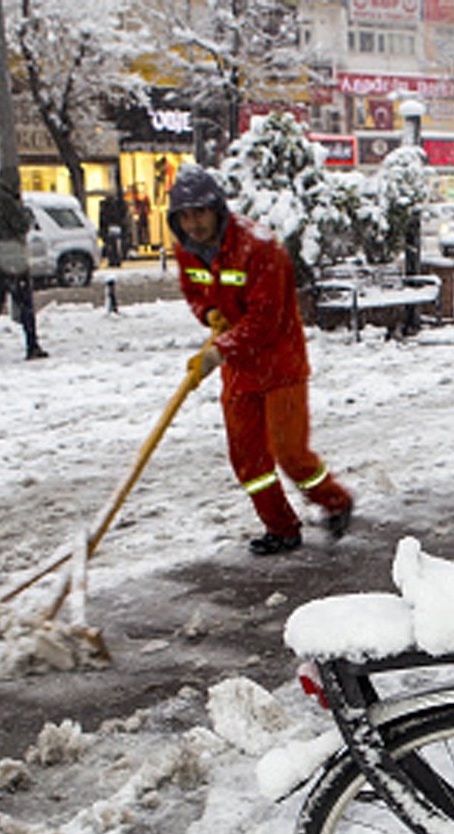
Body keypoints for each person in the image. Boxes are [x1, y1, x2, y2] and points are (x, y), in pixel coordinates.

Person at [167, 164, 353, 556]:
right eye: (184, 216)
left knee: (291, 454)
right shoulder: (186, 250)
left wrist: (220, 350)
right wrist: (207, 314)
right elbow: (194, 292)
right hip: (239, 369)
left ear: (217, 209)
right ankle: (281, 527)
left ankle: (335, 501)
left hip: (279, 362)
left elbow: (266, 320)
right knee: (248, 458)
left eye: (199, 213)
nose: (193, 223)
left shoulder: (260, 248)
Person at [0, 167, 49, 365]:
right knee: (25, 302)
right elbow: (22, 225)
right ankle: (32, 344)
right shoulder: (7, 202)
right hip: (13, 259)